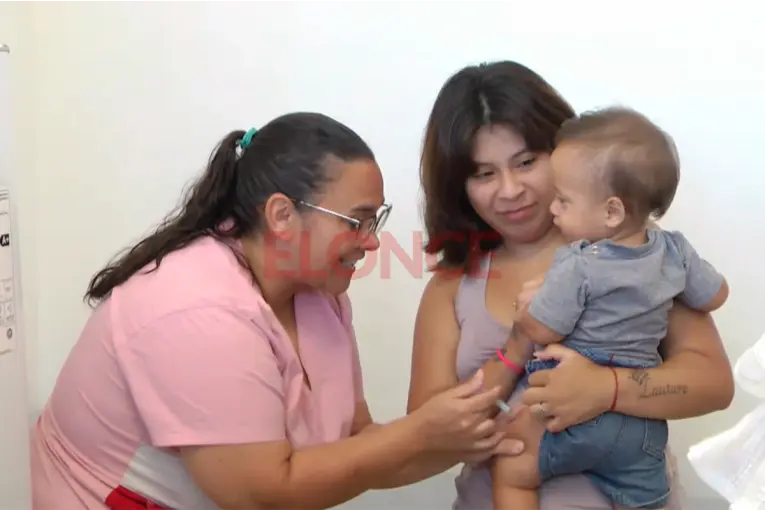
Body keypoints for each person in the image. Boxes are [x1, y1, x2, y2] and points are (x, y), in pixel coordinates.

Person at [30, 112, 519, 510]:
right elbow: (261, 494)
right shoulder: (195, 309)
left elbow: (360, 445)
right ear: (282, 215)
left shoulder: (319, 295)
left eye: (375, 220)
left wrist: (471, 434)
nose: (371, 242)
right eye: (356, 221)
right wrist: (422, 431)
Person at [407, 61, 735, 510]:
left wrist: (606, 388)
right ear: (459, 185)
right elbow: (423, 440)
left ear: (564, 152)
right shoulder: (452, 286)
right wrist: (519, 343)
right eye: (484, 174)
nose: (510, 189)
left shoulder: (634, 251)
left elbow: (714, 384)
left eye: (526, 162)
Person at [491, 106, 729, 510]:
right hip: (642, 429)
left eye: (563, 200)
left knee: (513, 472)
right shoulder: (675, 251)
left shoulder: (577, 262)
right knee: (647, 500)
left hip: (574, 421)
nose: (553, 208)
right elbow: (716, 295)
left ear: (611, 211)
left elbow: (546, 329)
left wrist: (526, 312)